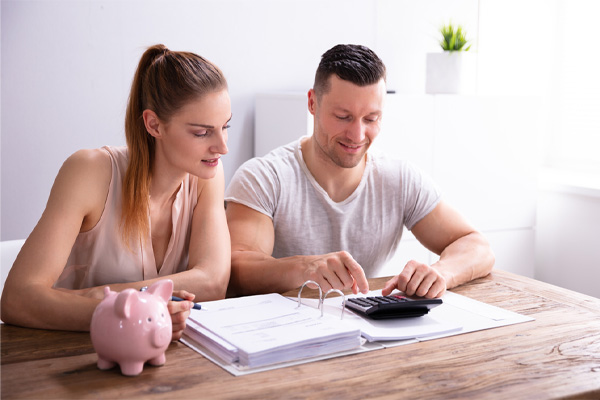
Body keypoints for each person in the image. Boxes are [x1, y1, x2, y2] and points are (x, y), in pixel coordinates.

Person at [225, 44, 494, 298]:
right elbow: (236, 268)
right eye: (343, 117)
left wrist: (440, 274)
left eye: (371, 119)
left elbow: (477, 246)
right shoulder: (263, 178)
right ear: (312, 103)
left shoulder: (399, 179)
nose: (357, 135)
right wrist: (304, 268)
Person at [0, 44, 231, 340]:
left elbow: (213, 283)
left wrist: (101, 296)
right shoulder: (88, 172)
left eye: (225, 126)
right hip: (66, 357)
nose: (222, 147)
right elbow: (17, 299)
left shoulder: (207, 174)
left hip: (157, 357)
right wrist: (127, 308)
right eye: (202, 132)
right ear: (154, 124)